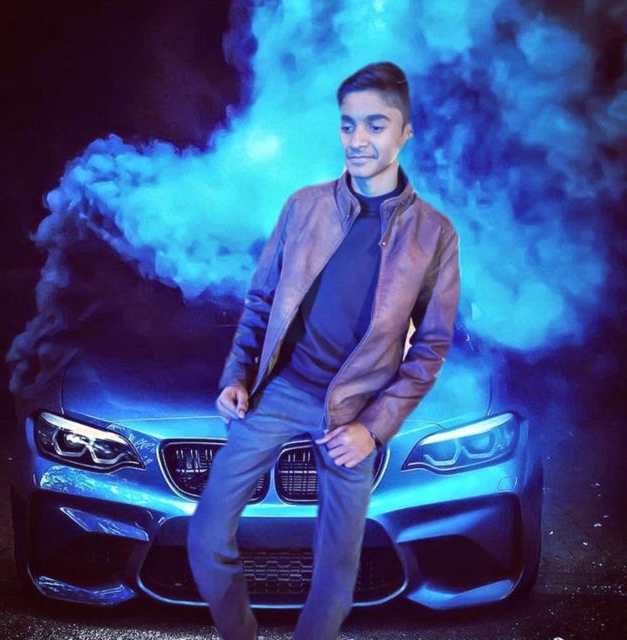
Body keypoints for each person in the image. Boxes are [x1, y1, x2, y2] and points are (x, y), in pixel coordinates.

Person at [187, 61, 461, 640]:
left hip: (357, 413)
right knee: (206, 534)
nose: (358, 139)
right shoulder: (303, 207)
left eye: (375, 125)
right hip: (282, 391)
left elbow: (431, 347)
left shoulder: (434, 234)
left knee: (336, 572)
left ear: (405, 132)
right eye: (347, 124)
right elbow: (262, 301)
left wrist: (373, 429)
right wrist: (237, 375)